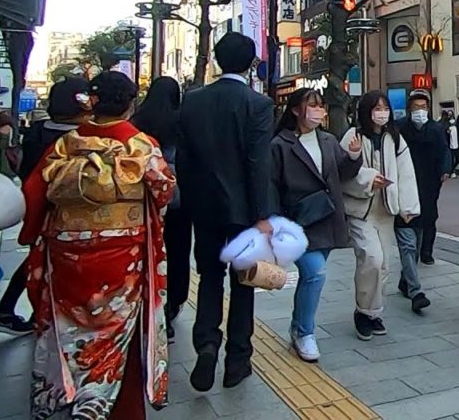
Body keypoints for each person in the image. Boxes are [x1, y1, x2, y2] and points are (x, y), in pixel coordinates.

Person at [20, 71, 176, 419]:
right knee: (115, 328)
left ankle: (65, 393)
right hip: (122, 254)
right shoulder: (140, 144)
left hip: (67, 252)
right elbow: (164, 191)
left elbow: (34, 192)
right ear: (130, 103)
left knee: (69, 325)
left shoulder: (68, 143)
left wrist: (31, 234)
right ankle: (106, 403)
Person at [177, 32, 274, 391]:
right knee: (245, 283)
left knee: (210, 277)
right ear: (250, 64)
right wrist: (263, 214)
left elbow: (184, 161)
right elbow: (257, 164)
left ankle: (206, 345)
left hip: (204, 208)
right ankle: (238, 359)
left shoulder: (193, 101)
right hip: (244, 211)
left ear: (217, 59)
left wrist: (190, 201)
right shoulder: (258, 104)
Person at [0, 77, 91, 336]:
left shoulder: (37, 131)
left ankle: (15, 310)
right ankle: (35, 313)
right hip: (67, 213)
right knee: (54, 261)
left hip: (37, 206)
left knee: (38, 256)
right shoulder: (79, 139)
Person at [271, 88, 363, 361]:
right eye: (312, 105)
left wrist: (355, 157)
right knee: (315, 273)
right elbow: (271, 187)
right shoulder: (280, 145)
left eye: (320, 106)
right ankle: (305, 331)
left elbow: (342, 173)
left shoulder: (328, 140)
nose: (318, 111)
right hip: (297, 221)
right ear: (296, 110)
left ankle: (298, 325)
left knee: (312, 277)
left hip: (326, 218)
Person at [339, 91, 420, 340]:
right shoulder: (353, 136)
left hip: (385, 210)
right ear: (366, 110)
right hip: (360, 211)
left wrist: (408, 207)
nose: (382, 112)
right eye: (376, 107)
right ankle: (363, 312)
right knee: (371, 258)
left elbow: (406, 173)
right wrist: (367, 179)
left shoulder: (394, 138)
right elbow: (341, 173)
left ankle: (371, 312)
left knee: (383, 264)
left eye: (385, 107)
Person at [132, 76, 189, 340]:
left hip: (143, 201)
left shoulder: (136, 122)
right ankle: (171, 306)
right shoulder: (181, 121)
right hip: (179, 200)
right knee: (177, 253)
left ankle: (145, 306)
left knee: (147, 254)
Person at [395, 89, 451, 311]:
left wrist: (445, 170)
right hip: (405, 187)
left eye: (423, 107)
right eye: (416, 108)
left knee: (420, 234)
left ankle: (406, 279)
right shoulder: (399, 128)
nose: (420, 112)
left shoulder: (436, 129)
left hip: (428, 187)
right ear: (409, 109)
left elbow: (445, 152)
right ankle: (415, 290)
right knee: (408, 241)